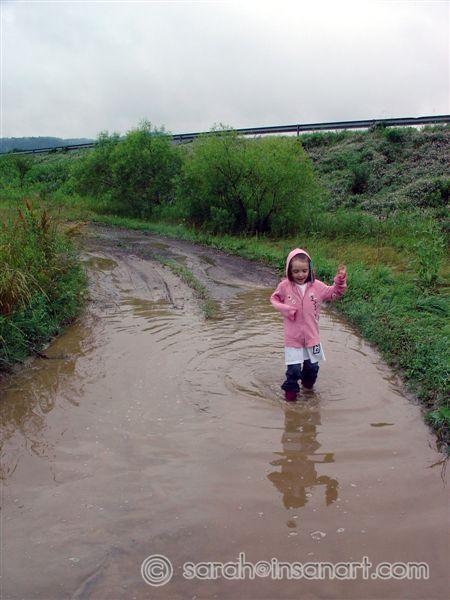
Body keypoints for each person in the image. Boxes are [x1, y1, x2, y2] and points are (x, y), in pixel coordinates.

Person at [270, 248, 347, 401]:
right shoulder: (285, 286)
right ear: (289, 271)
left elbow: (334, 293)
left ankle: (308, 392)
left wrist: (340, 281)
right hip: (293, 339)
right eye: (296, 271)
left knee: (312, 369)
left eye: (304, 271)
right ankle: (290, 401)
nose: (300, 275)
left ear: (309, 269)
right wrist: (286, 309)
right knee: (293, 371)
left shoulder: (317, 286)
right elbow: (274, 299)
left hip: (312, 337)